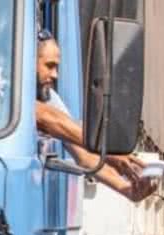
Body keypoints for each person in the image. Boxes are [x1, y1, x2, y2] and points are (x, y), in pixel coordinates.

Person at [34, 30, 156, 202]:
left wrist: (126, 189)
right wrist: (106, 149)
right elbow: (48, 119)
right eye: (49, 66)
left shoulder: (48, 97)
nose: (55, 75)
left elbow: (85, 156)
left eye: (57, 67)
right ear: (27, 62)